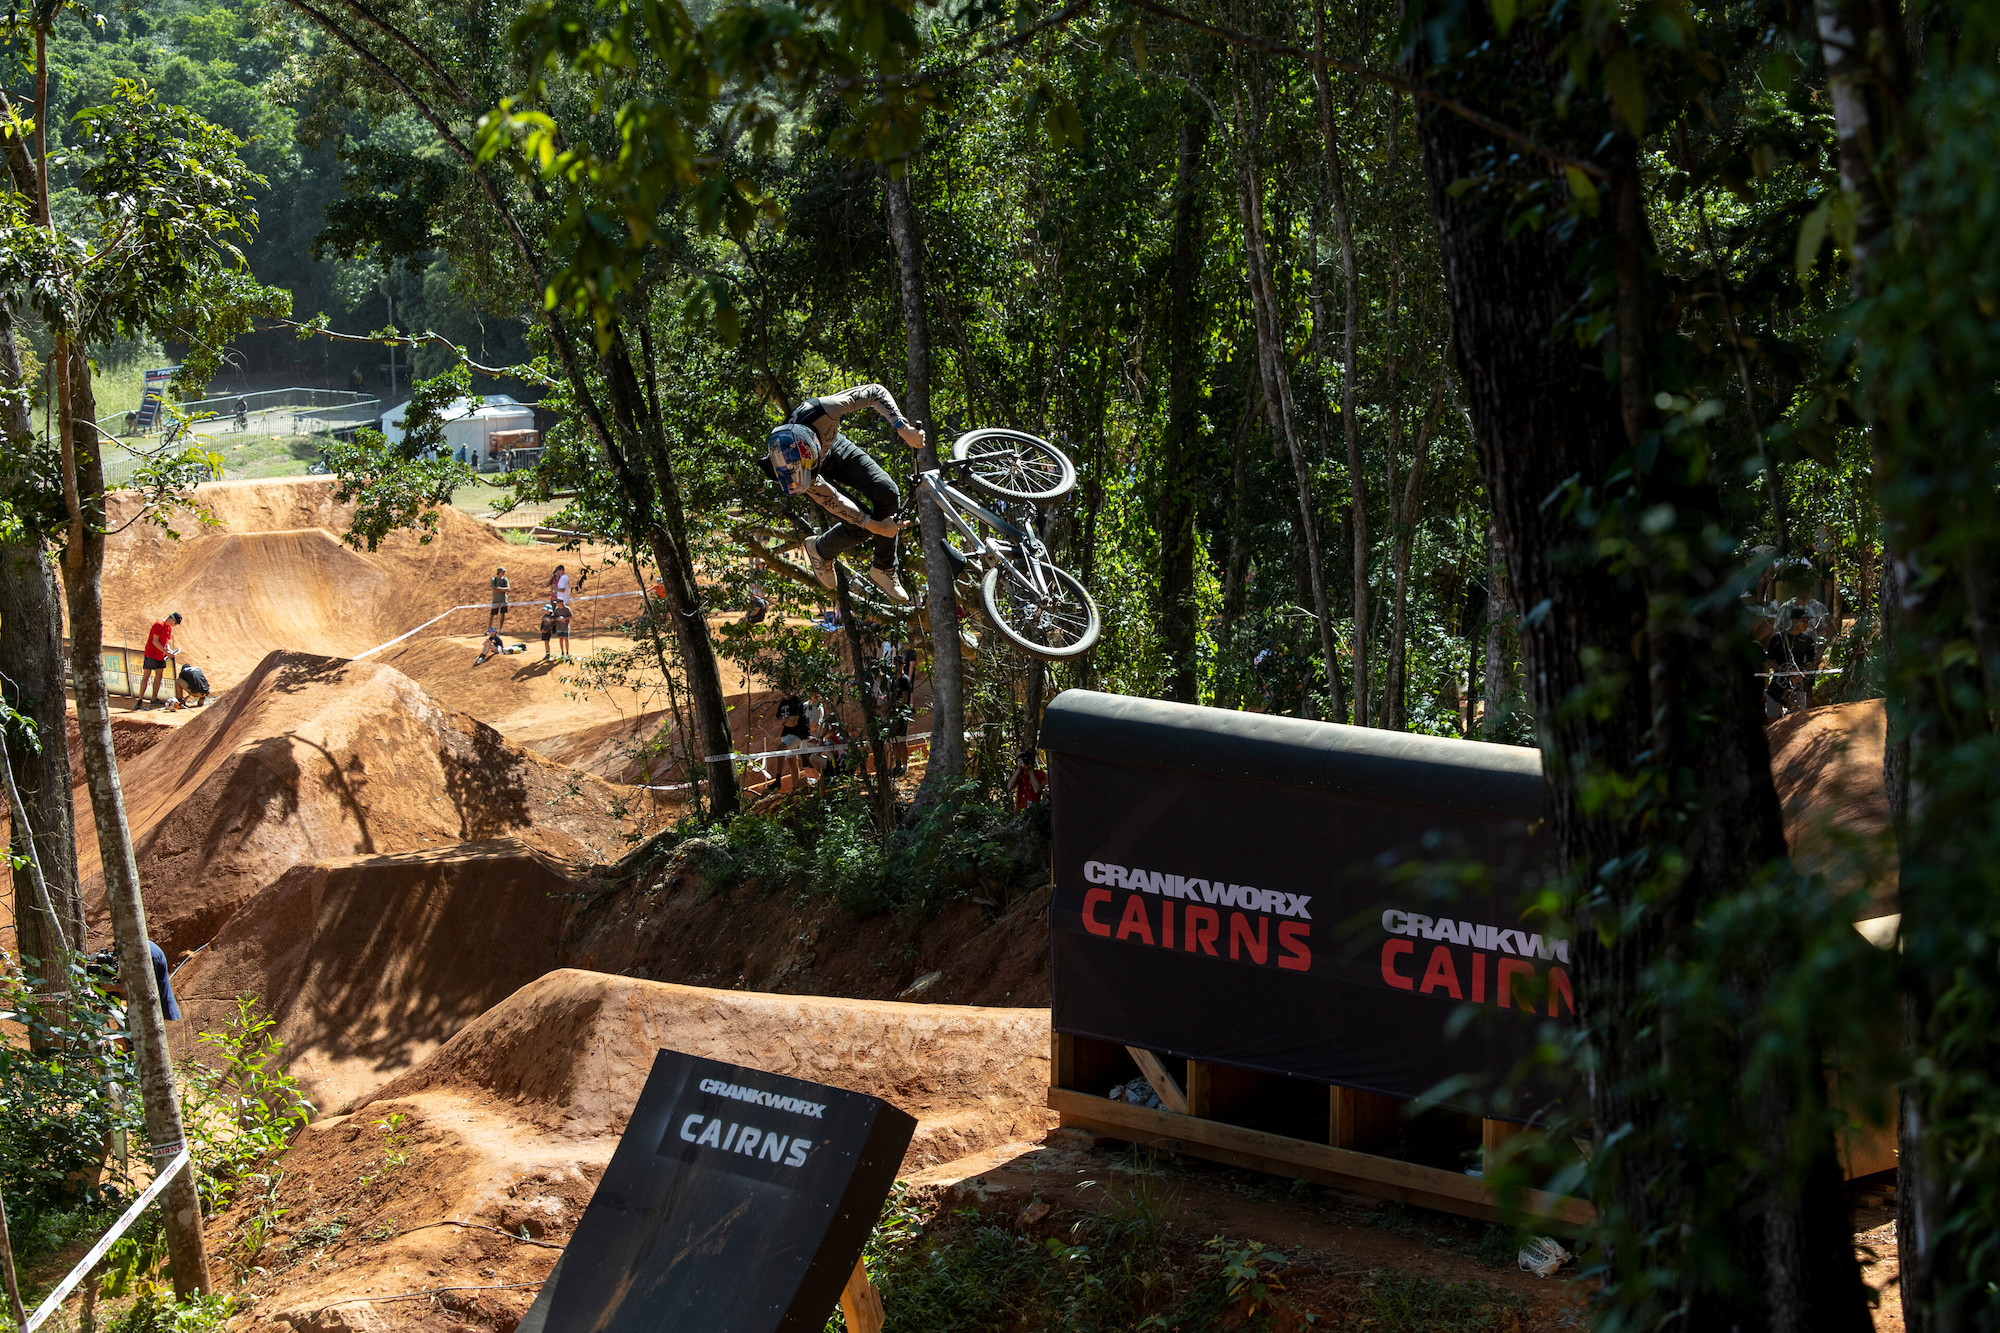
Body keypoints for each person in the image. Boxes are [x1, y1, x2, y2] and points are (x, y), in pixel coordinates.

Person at [762, 384, 953, 605]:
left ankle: (883, 567)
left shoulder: (824, 409)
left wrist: (903, 428)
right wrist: (876, 526)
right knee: (859, 525)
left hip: (833, 446)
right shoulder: (793, 471)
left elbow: (875, 392)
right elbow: (835, 501)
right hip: (812, 465)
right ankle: (820, 549)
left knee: (887, 491)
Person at [1765, 605, 1821, 715]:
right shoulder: (1778, 638)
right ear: (1794, 621)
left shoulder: (1807, 639)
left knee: (1797, 720)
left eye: (1807, 621)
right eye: (1803, 621)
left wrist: (1802, 674)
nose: (1806, 624)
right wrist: (1782, 669)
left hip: (1798, 686)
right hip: (1778, 686)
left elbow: (1811, 662)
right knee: (1773, 719)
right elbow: (1769, 661)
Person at [138, 612, 181, 708]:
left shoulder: (168, 628)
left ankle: (154, 699)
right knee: (146, 676)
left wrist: (169, 651)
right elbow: (155, 641)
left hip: (160, 656)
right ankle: (140, 699)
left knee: (159, 676)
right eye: (176, 623)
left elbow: (165, 643)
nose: (175, 625)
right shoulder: (159, 624)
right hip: (151, 654)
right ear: (172, 620)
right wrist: (166, 652)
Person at [774, 692, 809, 788]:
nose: (783, 691)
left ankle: (778, 779)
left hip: (796, 734)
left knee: (779, 748)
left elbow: (793, 722)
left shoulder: (795, 701)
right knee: (792, 762)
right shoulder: (782, 704)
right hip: (785, 734)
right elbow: (775, 722)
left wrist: (782, 721)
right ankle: (795, 788)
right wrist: (785, 720)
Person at [489, 566, 511, 632]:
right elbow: (494, 590)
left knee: (502, 614)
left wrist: (499, 588)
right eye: (503, 571)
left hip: (503, 600)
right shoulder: (494, 579)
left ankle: (501, 629)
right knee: (492, 615)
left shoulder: (505, 579)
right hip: (496, 600)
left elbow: (508, 589)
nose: (504, 572)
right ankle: (489, 629)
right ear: (499, 572)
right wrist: (503, 590)